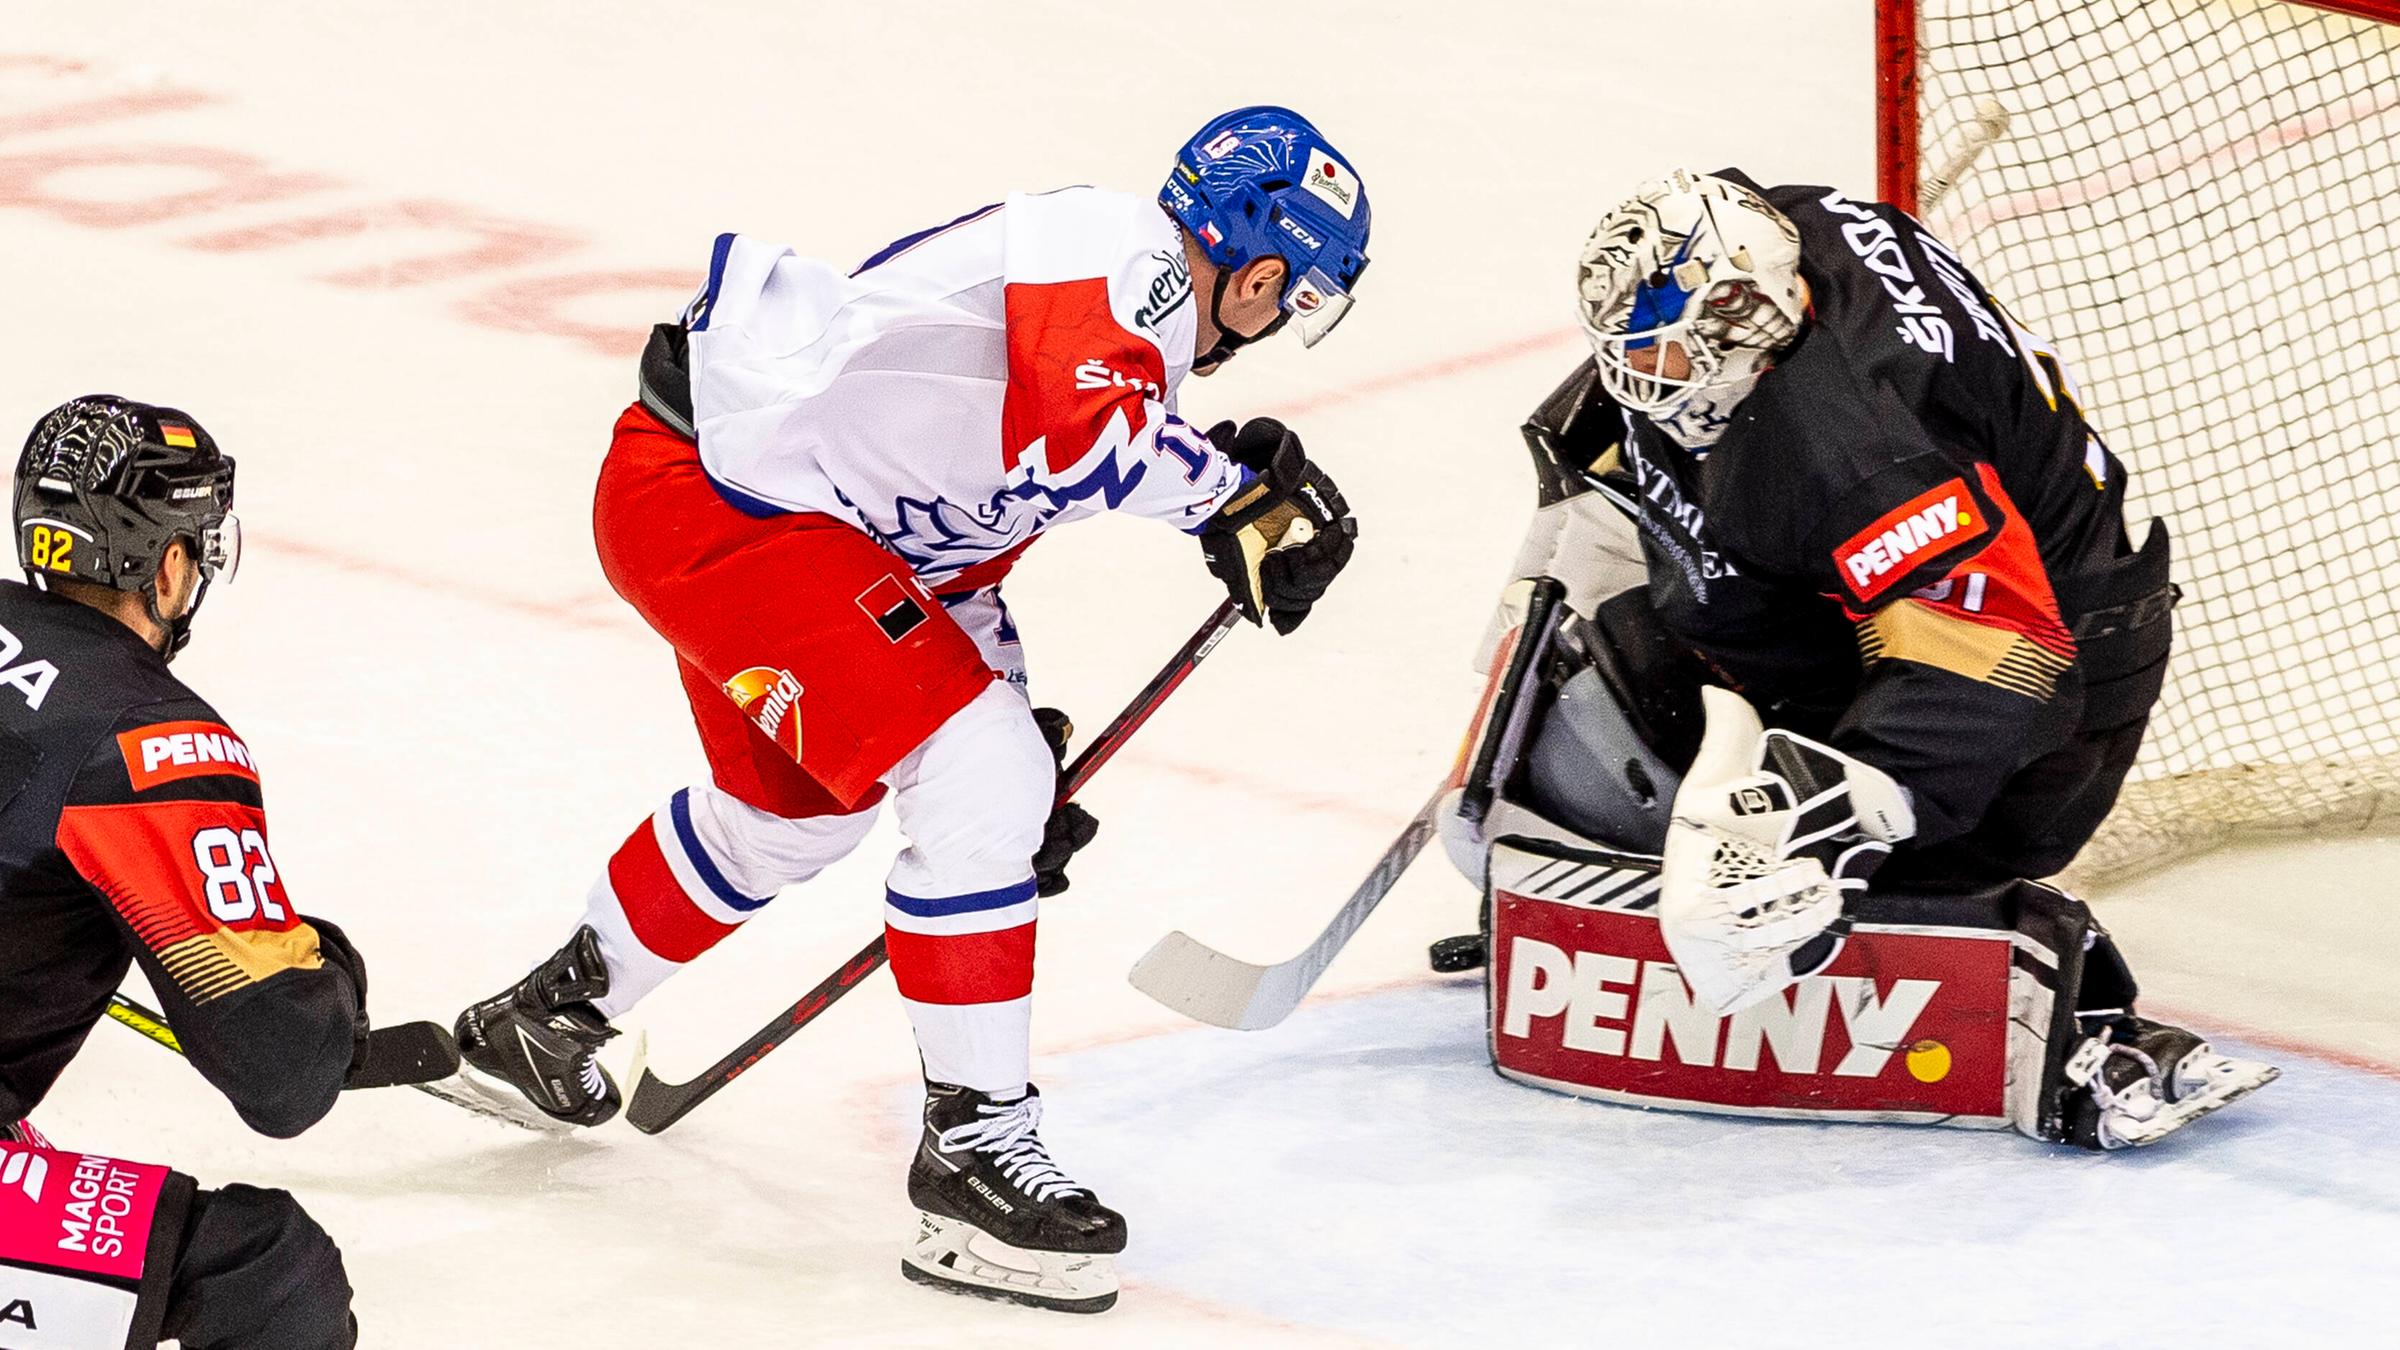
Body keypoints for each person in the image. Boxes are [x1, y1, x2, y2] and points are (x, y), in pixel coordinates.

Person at [452, 105, 1369, 1313]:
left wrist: (1009, 733)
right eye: (1297, 293)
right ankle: (974, 1153)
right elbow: (1078, 442)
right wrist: (1226, 498)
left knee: (794, 815)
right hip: (728, 509)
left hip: (747, 516)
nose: (1286, 315)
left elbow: (958, 554)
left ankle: (549, 1019)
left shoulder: (1139, 345)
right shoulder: (1119, 252)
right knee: (974, 774)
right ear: (1260, 269)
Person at [1445, 169, 2271, 1150]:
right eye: (1635, 353)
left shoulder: (1857, 453)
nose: (1649, 380)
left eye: (1668, 352)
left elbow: (2005, 665)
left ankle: (2017, 977)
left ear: (1748, 310)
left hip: (2050, 700)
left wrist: (1806, 834)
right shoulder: (1781, 228)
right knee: (1618, 654)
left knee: (1669, 743)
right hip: (1947, 580)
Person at [0, 396, 366, 1346]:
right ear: (168, 563)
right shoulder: (148, 741)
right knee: (273, 1277)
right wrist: (327, 976)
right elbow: (281, 1069)